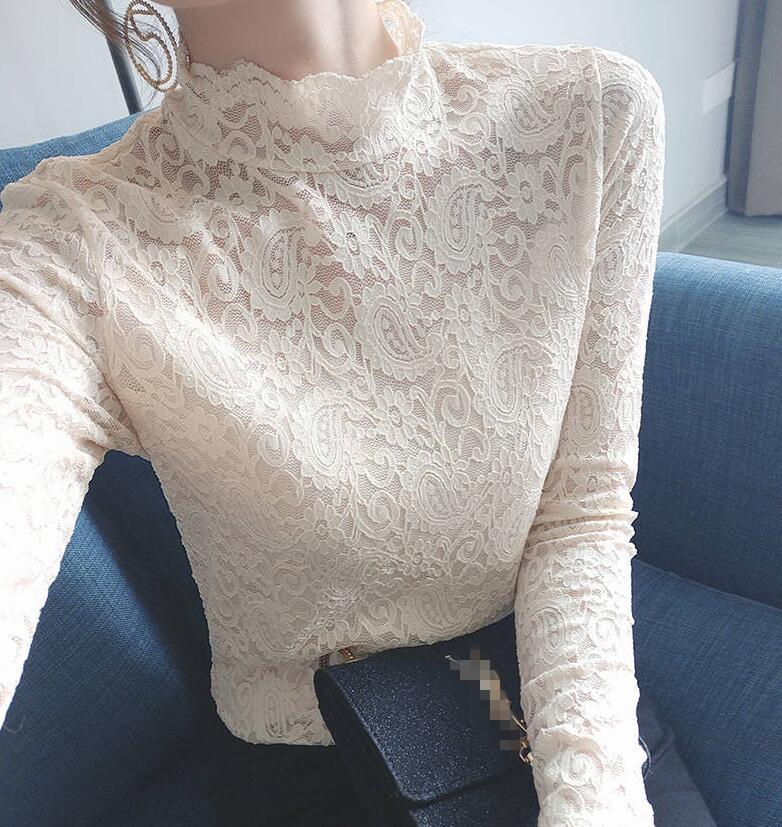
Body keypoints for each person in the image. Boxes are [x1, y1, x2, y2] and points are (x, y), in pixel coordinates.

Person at [0, 1, 716, 824]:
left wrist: (590, 800)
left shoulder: (588, 114)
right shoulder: (69, 243)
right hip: (314, 757)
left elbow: (578, 513)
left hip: (529, 689)